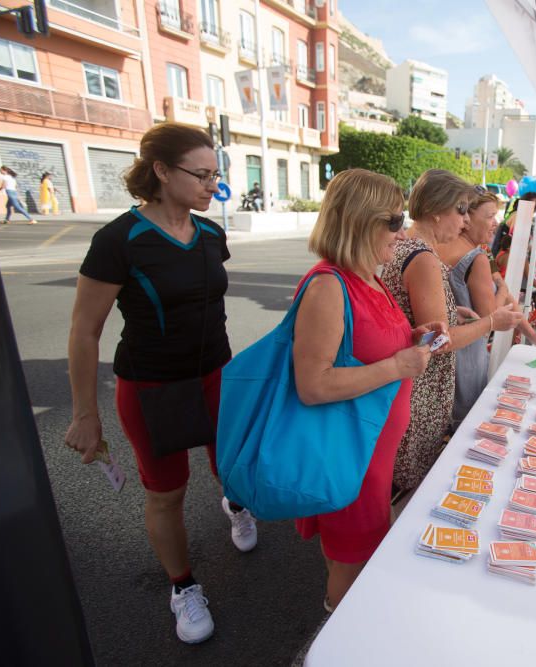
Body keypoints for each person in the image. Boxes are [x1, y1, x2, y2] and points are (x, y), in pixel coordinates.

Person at [64, 123, 254, 645]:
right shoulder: (118, 240)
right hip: (151, 387)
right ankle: (183, 587)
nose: (212, 186)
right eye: (201, 174)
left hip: (216, 373)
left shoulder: (212, 234)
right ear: (162, 171)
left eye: (216, 176)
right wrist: (85, 413)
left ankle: (235, 506)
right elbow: (84, 331)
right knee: (167, 494)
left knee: (231, 467)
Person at [292, 168, 440, 612]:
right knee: (352, 563)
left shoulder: (368, 277)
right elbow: (313, 384)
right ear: (361, 221)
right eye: (394, 221)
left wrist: (412, 336)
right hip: (349, 453)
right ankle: (336, 635)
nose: (402, 231)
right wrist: (398, 364)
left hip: (372, 451)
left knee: (359, 553)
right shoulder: (328, 286)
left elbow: (364, 346)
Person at [381, 169, 523, 494]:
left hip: (412, 390)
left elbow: (413, 318)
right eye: (460, 210)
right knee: (412, 490)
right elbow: (437, 342)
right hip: (421, 395)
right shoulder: (423, 258)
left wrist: (450, 312)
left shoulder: (408, 250)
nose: (463, 221)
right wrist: (490, 323)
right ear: (435, 210)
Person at [438, 188, 536, 425]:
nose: (496, 223)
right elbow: (490, 316)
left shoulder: (449, 247)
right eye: (490, 216)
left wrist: (532, 334)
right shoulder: (478, 258)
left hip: (442, 351)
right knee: (464, 425)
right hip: (467, 357)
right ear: (467, 218)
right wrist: (502, 289)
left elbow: (509, 300)